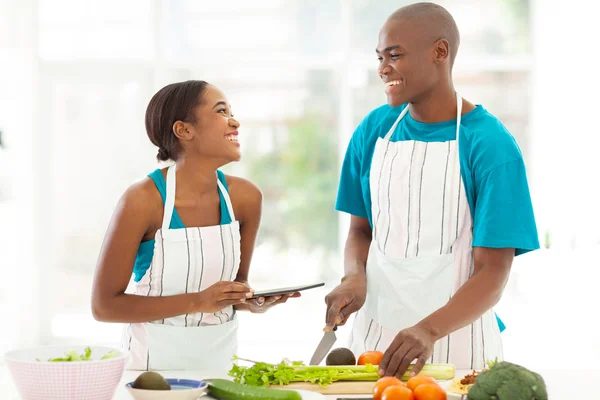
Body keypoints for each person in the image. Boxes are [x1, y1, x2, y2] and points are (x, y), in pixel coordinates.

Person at [324, 2, 539, 379]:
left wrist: (428, 329)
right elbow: (361, 231)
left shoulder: (489, 144)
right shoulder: (373, 130)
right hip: (373, 343)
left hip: (457, 347)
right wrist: (353, 276)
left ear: (440, 52)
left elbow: (493, 272)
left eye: (395, 55)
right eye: (379, 57)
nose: (382, 68)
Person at [91, 80, 298, 372]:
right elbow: (104, 306)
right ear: (184, 130)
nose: (234, 121)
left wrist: (251, 302)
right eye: (222, 111)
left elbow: (236, 289)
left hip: (221, 364)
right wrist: (197, 302)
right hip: (151, 372)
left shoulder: (245, 198)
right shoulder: (142, 201)